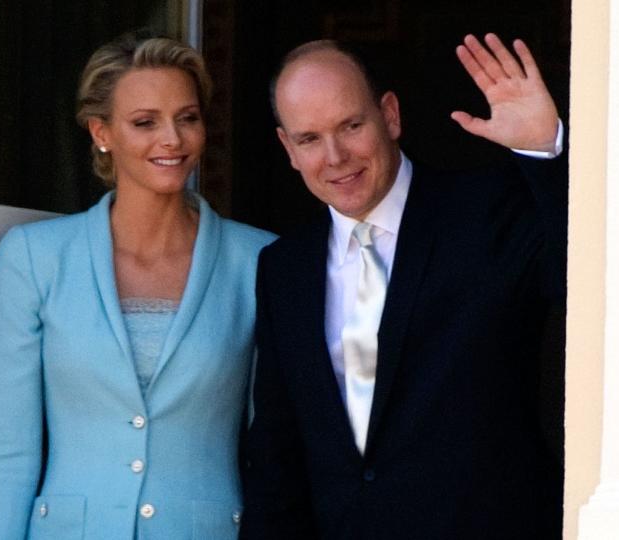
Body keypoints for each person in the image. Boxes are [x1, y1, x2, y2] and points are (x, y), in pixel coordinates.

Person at [241, 34, 566, 539]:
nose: (334, 156)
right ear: (288, 148)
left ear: (389, 115)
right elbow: (277, 454)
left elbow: (583, 276)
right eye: (309, 139)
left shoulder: (483, 212)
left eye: (351, 126)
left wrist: (544, 152)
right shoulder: (284, 269)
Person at [0, 35, 275, 539]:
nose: (172, 140)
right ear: (102, 132)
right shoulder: (34, 258)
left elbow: (276, 450)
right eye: (145, 122)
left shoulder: (260, 261)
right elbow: (10, 453)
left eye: (187, 118)